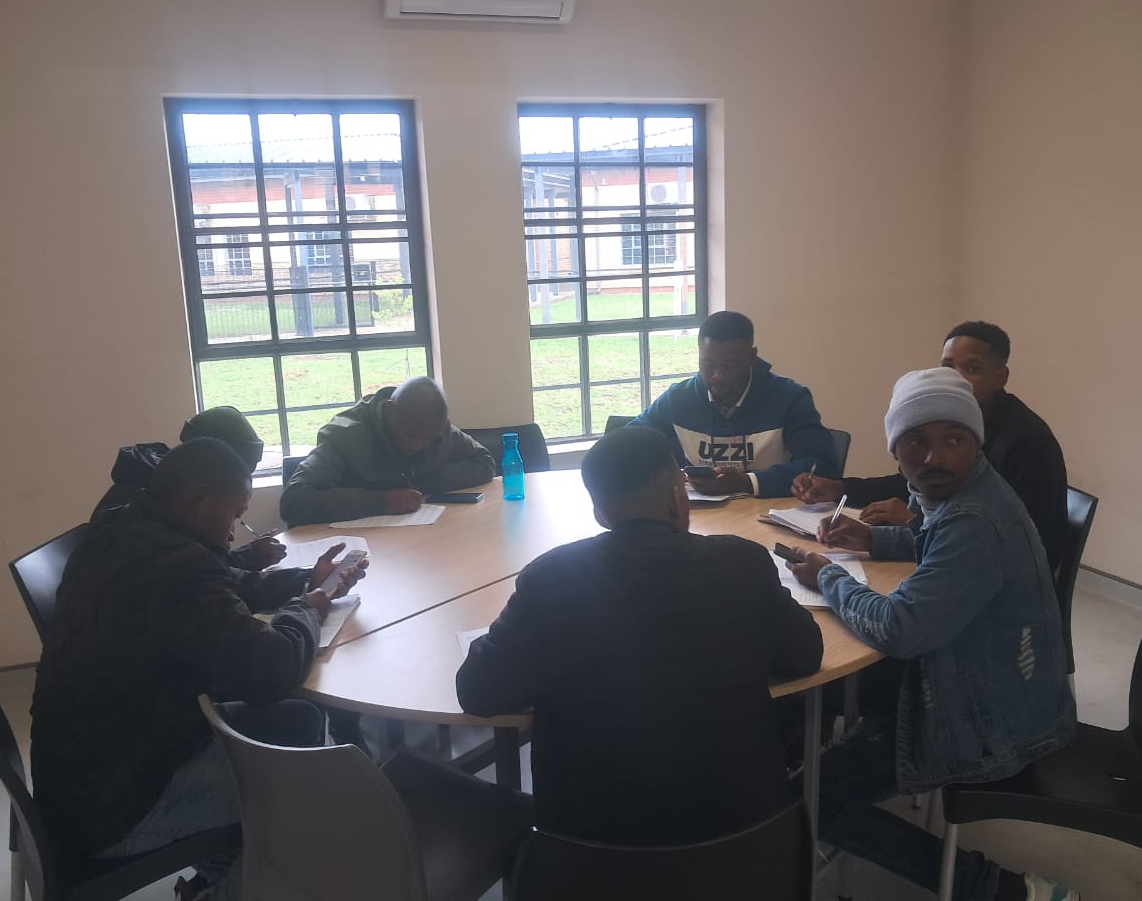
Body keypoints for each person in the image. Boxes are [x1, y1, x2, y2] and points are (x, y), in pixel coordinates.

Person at [31, 438, 367, 901]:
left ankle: (230, 869)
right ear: (199, 499)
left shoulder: (125, 526)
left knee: (300, 720)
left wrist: (307, 581)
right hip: (117, 807)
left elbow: (220, 586)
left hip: (90, 772)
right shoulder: (174, 566)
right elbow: (269, 671)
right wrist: (306, 608)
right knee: (315, 791)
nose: (234, 531)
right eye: (236, 513)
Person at [786, 368, 1078, 901]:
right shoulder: (969, 492)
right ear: (896, 451)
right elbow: (936, 544)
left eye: (953, 439)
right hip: (990, 685)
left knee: (808, 794)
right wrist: (875, 539)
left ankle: (1000, 890)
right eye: (915, 441)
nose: (933, 456)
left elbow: (900, 630)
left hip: (990, 722)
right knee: (825, 697)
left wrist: (828, 576)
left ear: (975, 443)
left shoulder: (974, 517)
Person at [456, 425, 824, 845]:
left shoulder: (551, 579)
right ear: (678, 496)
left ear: (599, 513)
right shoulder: (743, 562)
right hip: (746, 846)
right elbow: (805, 653)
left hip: (592, 854)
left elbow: (478, 691)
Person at [795, 321, 1067, 570]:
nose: (957, 378)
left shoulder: (1028, 440)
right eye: (948, 367)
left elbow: (1023, 539)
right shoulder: (947, 424)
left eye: (972, 369)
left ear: (1000, 377)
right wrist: (840, 489)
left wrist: (918, 522)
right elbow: (907, 482)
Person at [629, 310, 838, 498]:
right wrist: (669, 475)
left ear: (751, 357)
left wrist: (746, 482)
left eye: (729, 366)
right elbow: (628, 443)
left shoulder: (789, 398)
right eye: (708, 364)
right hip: (703, 518)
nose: (717, 376)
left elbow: (822, 467)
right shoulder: (679, 398)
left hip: (772, 514)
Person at [281, 376, 495, 527]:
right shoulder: (345, 436)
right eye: (411, 436)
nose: (419, 445)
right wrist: (381, 501)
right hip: (362, 551)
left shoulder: (436, 429)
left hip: (424, 540)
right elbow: (294, 501)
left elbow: (484, 461)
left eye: (429, 440)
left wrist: (420, 486)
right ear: (390, 411)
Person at [92, 405, 285, 571]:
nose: (232, 535)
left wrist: (249, 557)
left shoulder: (163, 491)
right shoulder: (140, 512)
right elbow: (189, 577)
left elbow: (195, 568)